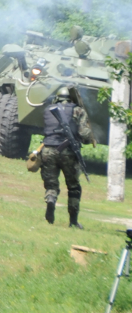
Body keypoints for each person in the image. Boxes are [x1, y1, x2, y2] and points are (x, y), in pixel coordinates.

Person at [38, 86, 93, 228]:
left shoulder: (48, 110)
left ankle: (50, 200)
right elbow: (85, 134)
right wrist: (89, 140)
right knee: (74, 187)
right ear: (71, 98)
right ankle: (73, 222)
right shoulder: (78, 110)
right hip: (68, 152)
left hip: (48, 150)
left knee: (51, 184)